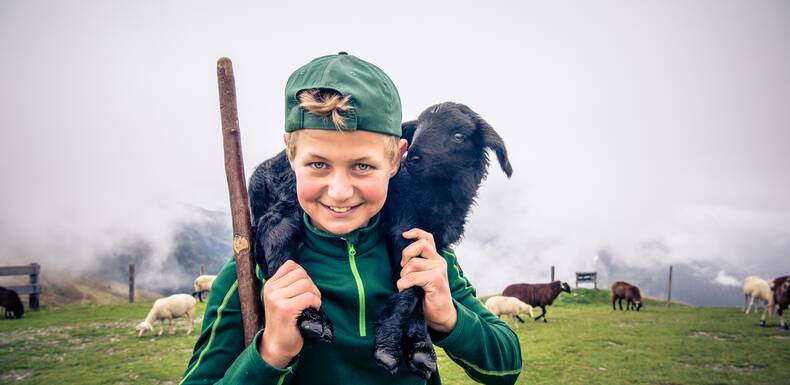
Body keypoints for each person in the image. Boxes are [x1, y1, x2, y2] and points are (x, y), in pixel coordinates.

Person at [179, 52, 522, 385]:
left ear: (397, 160)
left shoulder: (421, 253)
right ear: (291, 156)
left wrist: (449, 317)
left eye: (362, 166)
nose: (340, 192)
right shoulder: (251, 269)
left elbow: (507, 366)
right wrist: (271, 352)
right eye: (318, 164)